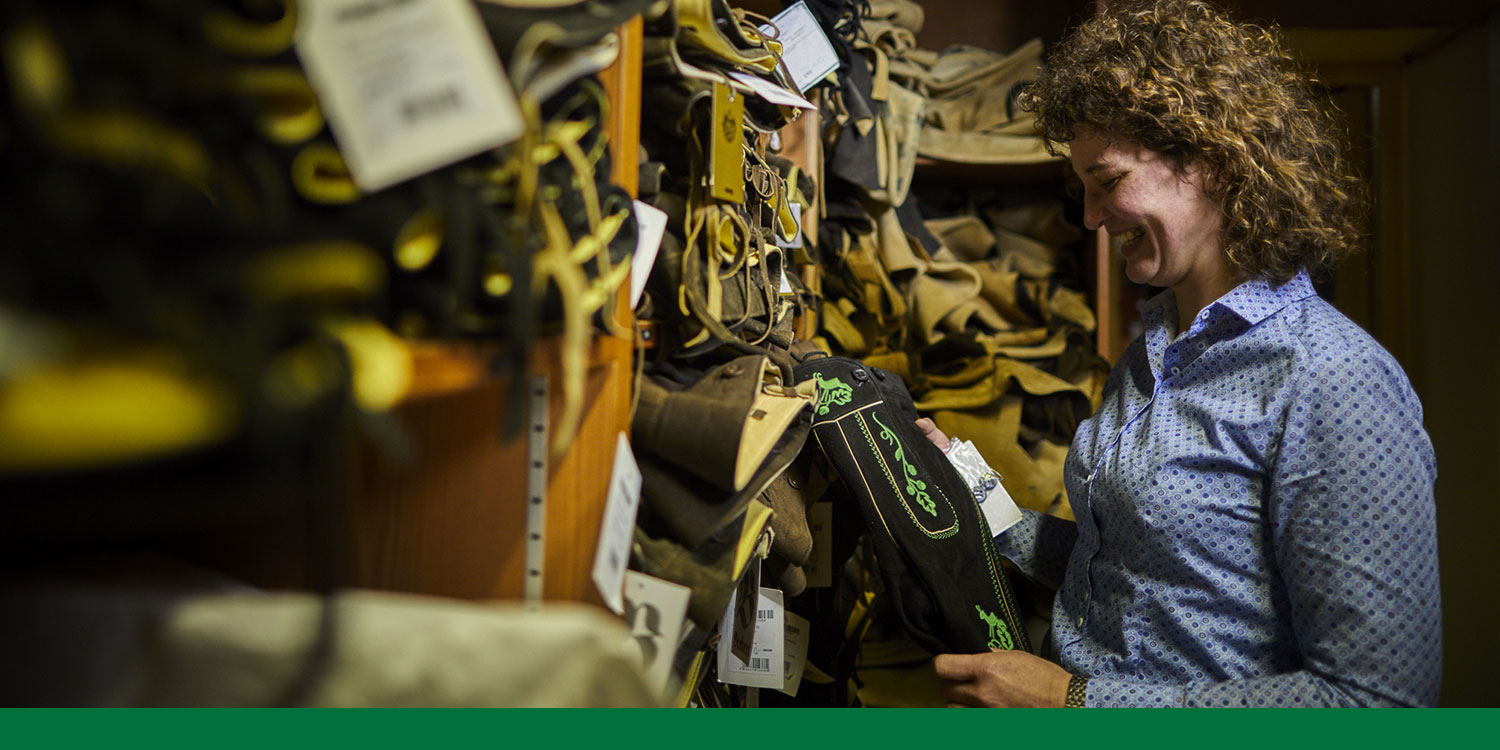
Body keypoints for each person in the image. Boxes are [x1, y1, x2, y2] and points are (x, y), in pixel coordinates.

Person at [921, 0, 1441, 707]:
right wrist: (975, 495)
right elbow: (1128, 570)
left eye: (1106, 183)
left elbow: (1378, 702)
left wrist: (1073, 702)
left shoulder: (1333, 379)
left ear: (1213, 163)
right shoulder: (1154, 352)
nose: (1090, 218)